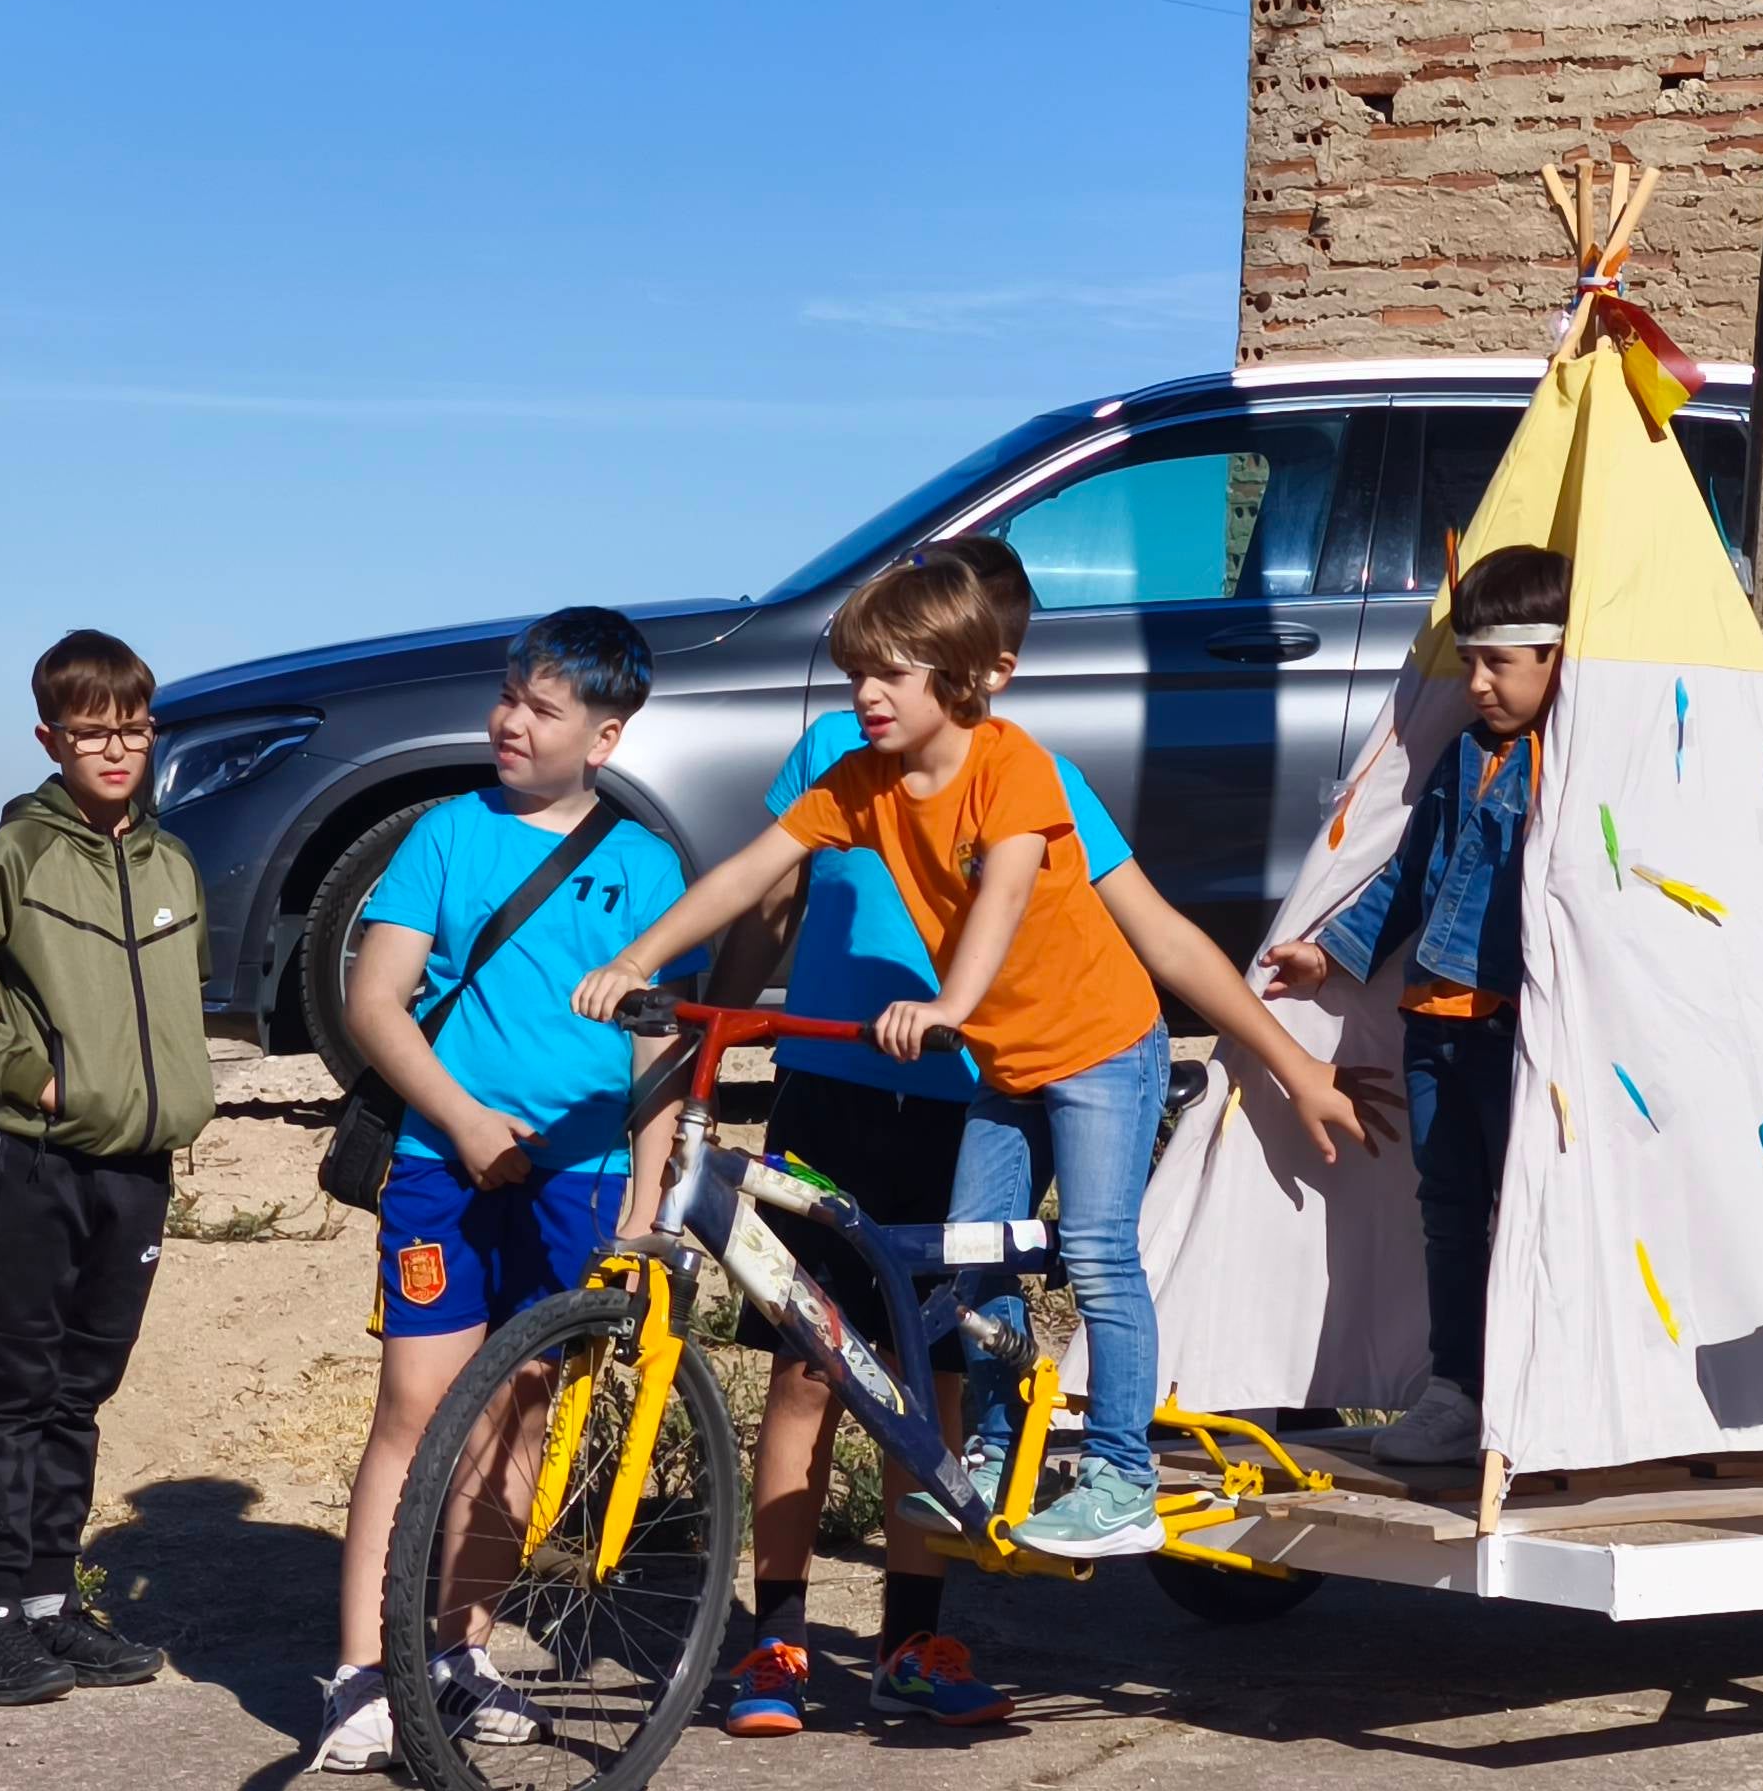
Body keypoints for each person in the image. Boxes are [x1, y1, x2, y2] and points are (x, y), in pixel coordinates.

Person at [576, 561, 1379, 1570]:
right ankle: (1000, 1451)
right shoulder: (857, 780)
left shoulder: (1016, 768)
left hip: (1099, 1049)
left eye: (890, 676)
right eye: (856, 673)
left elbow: (1002, 891)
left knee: (1091, 1250)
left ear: (963, 679)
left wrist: (950, 1003)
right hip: (1006, 1064)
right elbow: (750, 872)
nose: (864, 694)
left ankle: (1121, 1476)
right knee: (969, 1257)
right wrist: (635, 959)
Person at [709, 540, 1139, 1739]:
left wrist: (1275, 1051)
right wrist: (713, 1022)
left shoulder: (1027, 776)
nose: (879, 688)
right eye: (875, 659)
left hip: (957, 1092)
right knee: (805, 1365)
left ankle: (911, 1639)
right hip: (828, 1087)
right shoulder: (843, 755)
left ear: (981, 669)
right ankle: (776, 1639)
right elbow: (764, 893)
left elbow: (1124, 918)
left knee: (930, 1374)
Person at [312, 608, 691, 1775]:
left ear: (606, 735)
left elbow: (657, 1041)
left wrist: (644, 1194)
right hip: (442, 1164)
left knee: (528, 1404)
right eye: (508, 697)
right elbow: (373, 1003)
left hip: (582, 1176)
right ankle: (363, 1675)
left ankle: (459, 1647)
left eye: (544, 708)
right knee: (417, 1405)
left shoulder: (645, 863)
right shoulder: (441, 834)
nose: (510, 723)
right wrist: (467, 1122)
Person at [0, 628, 217, 1706]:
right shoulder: (18, 855)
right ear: (51, 738)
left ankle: (49, 1600)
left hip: (138, 1167)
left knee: (83, 1389)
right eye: (92, 735)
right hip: (32, 1162)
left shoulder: (174, 862)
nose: (116, 751)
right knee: (16, 1388)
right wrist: (35, 1079)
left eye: (132, 730)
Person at [1261, 545, 1569, 1465]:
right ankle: (1454, 1390)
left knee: (1531, 1212)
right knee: (1447, 1210)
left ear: (1555, 659)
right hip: (1433, 1030)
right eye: (1468, 661)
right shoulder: (1463, 756)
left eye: (1498, 663)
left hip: (1520, 1035)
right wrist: (1330, 955)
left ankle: (1533, 1393)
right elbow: (1404, 875)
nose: (1476, 684)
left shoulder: (1574, 765)